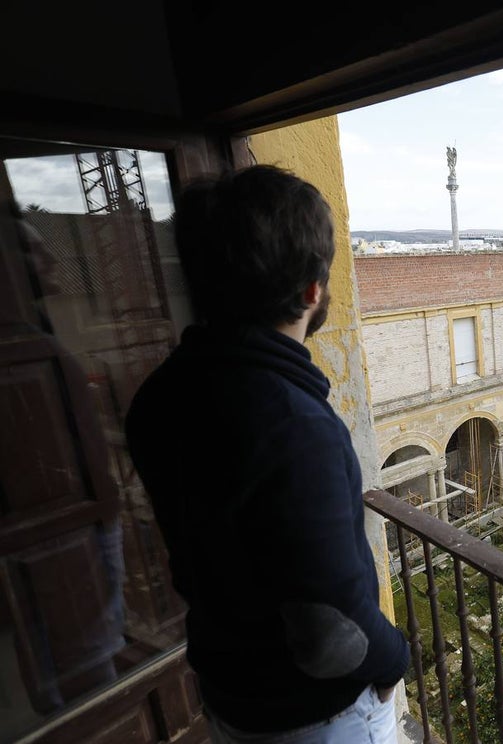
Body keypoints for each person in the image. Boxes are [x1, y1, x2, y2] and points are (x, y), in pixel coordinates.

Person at [125, 164, 410, 742]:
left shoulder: (160, 394)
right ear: (312, 291)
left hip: (231, 690)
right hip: (312, 715)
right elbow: (332, 628)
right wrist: (394, 659)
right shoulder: (296, 424)